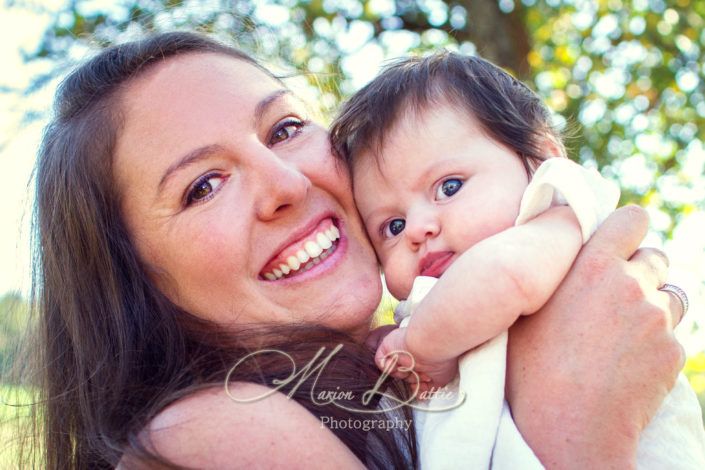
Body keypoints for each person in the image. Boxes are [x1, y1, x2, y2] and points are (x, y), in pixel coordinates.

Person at [22, 31, 687, 469]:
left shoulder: (376, 377)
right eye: (204, 185)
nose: (286, 182)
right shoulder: (213, 433)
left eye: (284, 128)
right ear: (132, 278)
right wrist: (571, 420)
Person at [330, 51, 705, 468]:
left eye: (449, 186)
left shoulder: (558, 215)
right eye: (393, 227)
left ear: (540, 159)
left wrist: (419, 345)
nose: (418, 228)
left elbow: (505, 278)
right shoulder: (434, 299)